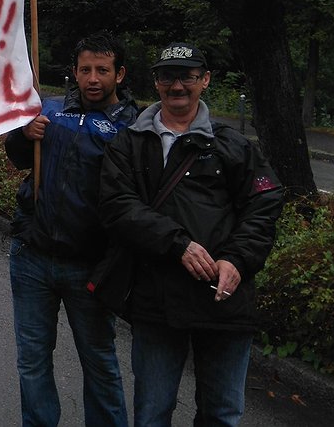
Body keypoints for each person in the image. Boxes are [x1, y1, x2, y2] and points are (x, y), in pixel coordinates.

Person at [99, 42, 283, 426]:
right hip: (156, 299)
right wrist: (177, 244)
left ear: (205, 80)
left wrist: (237, 258)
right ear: (156, 81)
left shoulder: (233, 145)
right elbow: (118, 206)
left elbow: (264, 204)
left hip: (225, 301)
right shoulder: (129, 143)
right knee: (152, 412)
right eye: (168, 76)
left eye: (187, 76)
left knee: (221, 414)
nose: (177, 85)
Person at [3, 32, 138, 427]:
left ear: (120, 74)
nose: (93, 78)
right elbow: (18, 159)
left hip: (91, 267)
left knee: (99, 362)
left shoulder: (132, 125)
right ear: (74, 73)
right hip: (32, 257)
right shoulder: (50, 109)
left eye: (102, 70)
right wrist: (23, 134)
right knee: (32, 360)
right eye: (85, 70)